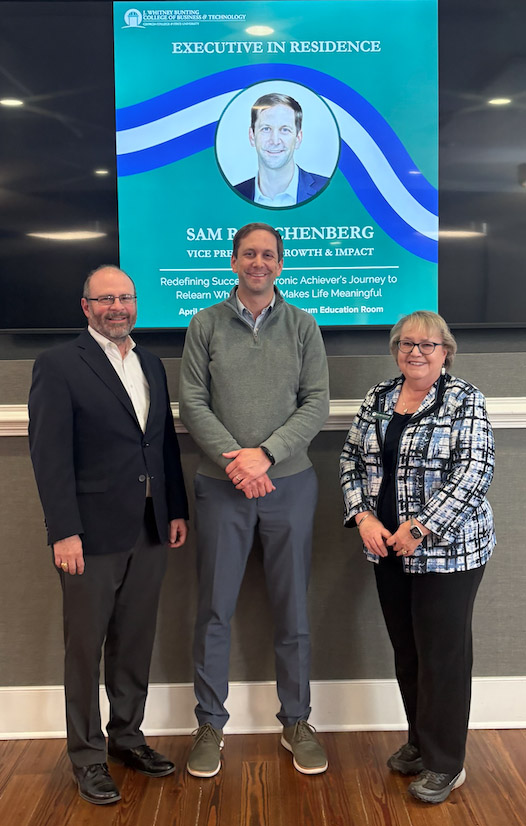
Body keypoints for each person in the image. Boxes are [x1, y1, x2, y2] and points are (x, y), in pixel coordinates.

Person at [28, 265, 189, 805]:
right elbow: (49, 456)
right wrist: (64, 531)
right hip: (88, 535)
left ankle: (126, 738)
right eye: (105, 299)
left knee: (134, 641)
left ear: (136, 304)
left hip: (150, 527)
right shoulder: (58, 365)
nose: (117, 307)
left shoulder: (150, 363)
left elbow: (161, 444)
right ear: (86, 307)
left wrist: (174, 509)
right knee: (84, 648)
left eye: (125, 297)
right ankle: (86, 756)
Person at [179, 222, 330, 777]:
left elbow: (316, 403)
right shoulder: (204, 324)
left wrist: (265, 455)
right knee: (214, 609)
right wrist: (237, 464)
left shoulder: (303, 325)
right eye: (249, 254)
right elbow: (192, 402)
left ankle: (297, 721)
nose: (258, 262)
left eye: (268, 254)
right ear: (234, 261)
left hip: (290, 485)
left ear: (280, 264)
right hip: (222, 487)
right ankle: (209, 725)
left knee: (293, 610)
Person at [340, 311, 495, 805]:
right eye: (407, 343)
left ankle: (446, 763)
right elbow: (350, 459)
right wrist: (364, 517)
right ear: (395, 350)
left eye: (428, 344)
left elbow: (475, 470)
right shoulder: (379, 397)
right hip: (386, 547)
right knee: (408, 652)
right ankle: (420, 742)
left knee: (442, 657)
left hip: (448, 552)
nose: (416, 352)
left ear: (445, 351)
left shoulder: (464, 399)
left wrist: (421, 526)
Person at [234, 93, 329, 207]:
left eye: (285, 130)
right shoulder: (233, 197)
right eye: (266, 129)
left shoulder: (328, 191)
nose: (275, 141)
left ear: (298, 138)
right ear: (252, 136)